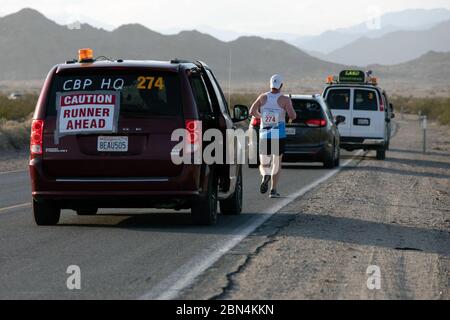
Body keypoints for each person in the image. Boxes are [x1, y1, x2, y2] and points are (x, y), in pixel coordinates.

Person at [249, 74, 297, 198]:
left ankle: (265, 176)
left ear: (270, 84)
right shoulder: (285, 99)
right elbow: (293, 116)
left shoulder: (262, 97)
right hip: (278, 134)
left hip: (264, 134)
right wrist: (287, 114)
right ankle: (273, 190)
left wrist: (262, 116)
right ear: (281, 85)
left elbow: (251, 112)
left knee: (264, 162)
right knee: (276, 161)